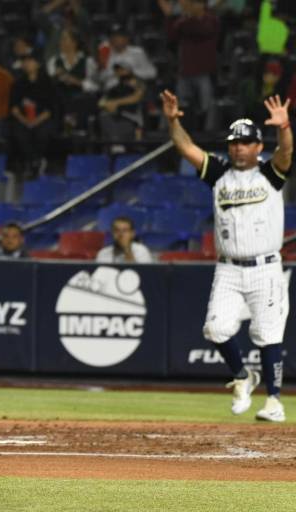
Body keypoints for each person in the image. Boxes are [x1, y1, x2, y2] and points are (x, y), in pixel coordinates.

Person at [161, 89, 292, 422]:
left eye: (245, 142)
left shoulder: (269, 175)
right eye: (234, 141)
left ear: (258, 146)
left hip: (265, 266)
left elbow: (286, 153)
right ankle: (242, 377)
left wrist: (284, 127)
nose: (238, 147)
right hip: (229, 269)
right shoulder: (219, 174)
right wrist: (173, 121)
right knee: (216, 329)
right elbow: (185, 147)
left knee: (268, 334)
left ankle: (274, 401)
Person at [159, 0, 221, 131]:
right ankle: (182, 133)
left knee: (207, 107)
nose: (191, 6)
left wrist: (186, 17)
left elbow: (201, 30)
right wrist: (169, 16)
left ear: (202, 5)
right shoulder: (183, 21)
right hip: (185, 71)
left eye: (195, 3)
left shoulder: (211, 20)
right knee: (181, 106)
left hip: (204, 72)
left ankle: (208, 136)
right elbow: (171, 36)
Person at [8, 51, 55, 177]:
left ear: (38, 64)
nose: (27, 64)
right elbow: (14, 108)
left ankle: (39, 160)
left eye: (30, 61)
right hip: (23, 119)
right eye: (25, 61)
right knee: (18, 132)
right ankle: (31, 162)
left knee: (43, 132)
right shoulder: (18, 83)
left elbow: (51, 108)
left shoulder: (47, 83)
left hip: (42, 119)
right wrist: (25, 121)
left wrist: (36, 121)